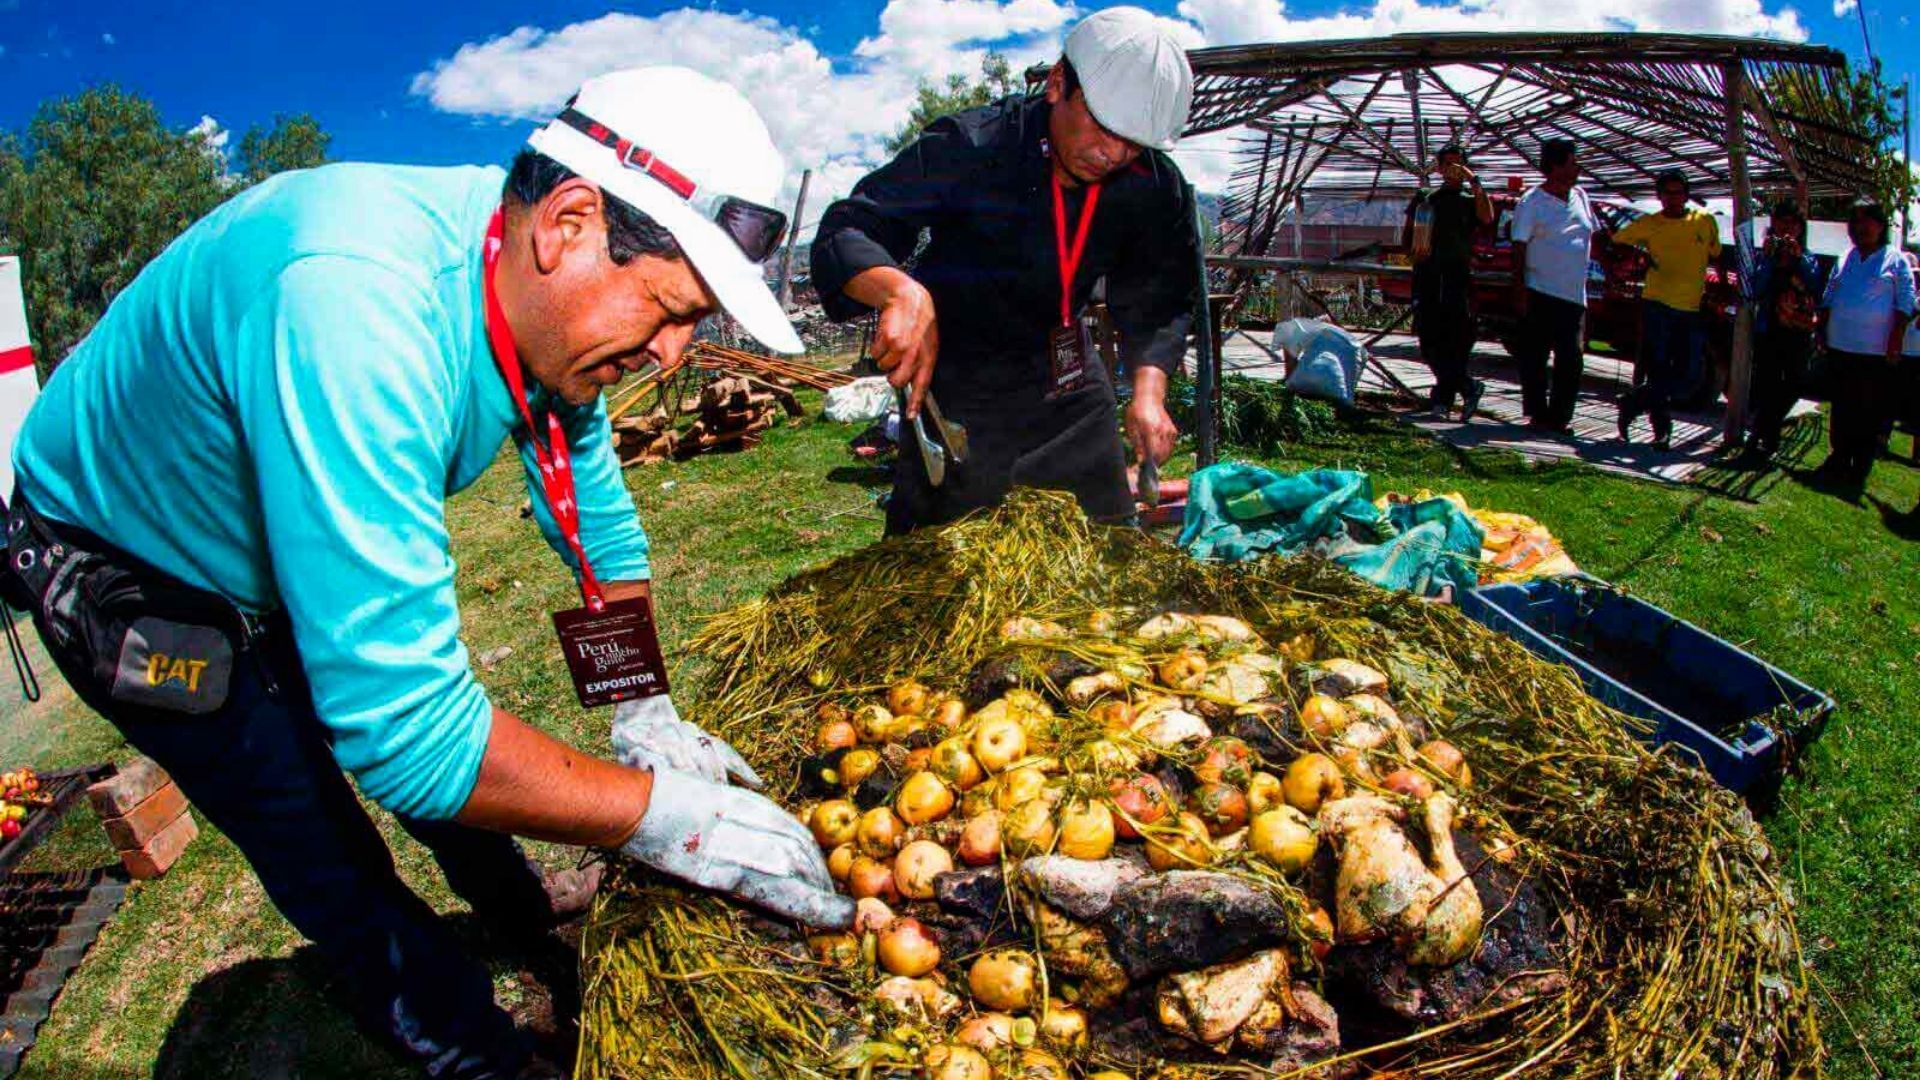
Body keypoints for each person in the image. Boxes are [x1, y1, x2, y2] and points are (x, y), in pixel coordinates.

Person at [3, 67, 850, 1079]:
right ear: (570, 222)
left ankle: (528, 917)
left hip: (254, 531)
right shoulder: (354, 301)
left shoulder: (527, 288)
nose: (674, 355)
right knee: (313, 833)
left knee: (448, 762)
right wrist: (670, 817)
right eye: (670, 310)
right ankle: (475, 1050)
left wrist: (642, 712)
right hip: (125, 573)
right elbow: (407, 734)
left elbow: (602, 537)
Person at [811, 7, 1200, 535]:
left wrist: (1149, 395)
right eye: (1106, 127)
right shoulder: (973, 147)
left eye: (1134, 143)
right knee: (938, 581)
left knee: (1108, 555)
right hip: (962, 394)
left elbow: (1159, 297)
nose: (1114, 154)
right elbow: (848, 229)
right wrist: (900, 292)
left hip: (1070, 388)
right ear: (1060, 83)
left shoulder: (1152, 183)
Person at [1612, 170, 1722, 449]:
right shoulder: (1650, 224)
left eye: (1678, 192)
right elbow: (1615, 242)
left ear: (1686, 194)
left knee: (1691, 375)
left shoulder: (1704, 221)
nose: (1673, 198)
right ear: (1659, 196)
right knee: (1659, 369)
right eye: (1667, 193)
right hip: (1657, 304)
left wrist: (1719, 289)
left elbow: (1716, 256)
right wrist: (1639, 258)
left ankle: (1635, 400)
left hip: (1691, 307)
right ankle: (1662, 432)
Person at [1814, 197, 1917, 488]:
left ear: (1880, 225)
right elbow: (1829, 297)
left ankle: (1858, 469)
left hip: (1874, 353)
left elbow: (1906, 304)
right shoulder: (1844, 257)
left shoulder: (1895, 259)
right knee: (1842, 408)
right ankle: (1838, 460)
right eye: (1855, 221)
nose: (1860, 227)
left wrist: (1895, 340)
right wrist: (1821, 330)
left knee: (1868, 412)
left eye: (1867, 220)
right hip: (1840, 346)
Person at [1509, 139, 1597, 434]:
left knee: (1571, 359)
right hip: (1540, 290)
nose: (1577, 168)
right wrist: (1519, 289)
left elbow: (1592, 234)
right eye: (1573, 162)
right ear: (1556, 166)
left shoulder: (1580, 196)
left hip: (1573, 294)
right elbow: (1518, 246)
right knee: (1534, 357)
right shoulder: (1532, 202)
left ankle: (1560, 418)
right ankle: (1538, 414)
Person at [1403, 143, 1493, 421]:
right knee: (1430, 341)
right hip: (1428, 274)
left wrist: (1474, 181)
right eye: (1448, 165)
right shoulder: (1426, 197)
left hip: (1456, 277)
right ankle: (1466, 386)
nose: (1453, 171)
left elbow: (1487, 216)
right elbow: (1408, 234)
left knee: (1455, 340)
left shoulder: (1469, 199)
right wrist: (1412, 253)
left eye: (1459, 165)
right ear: (1439, 168)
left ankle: (1443, 399)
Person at [1738, 198, 1823, 466]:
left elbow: (1815, 285)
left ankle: (1761, 435)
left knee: (1793, 384)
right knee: (1767, 386)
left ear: (1800, 226)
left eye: (1791, 222)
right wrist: (1769, 258)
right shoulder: (1767, 255)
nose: (1786, 227)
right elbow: (1757, 288)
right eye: (1780, 221)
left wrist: (1797, 258)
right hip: (1769, 330)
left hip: (1796, 331)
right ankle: (1764, 443)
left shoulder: (1807, 256)